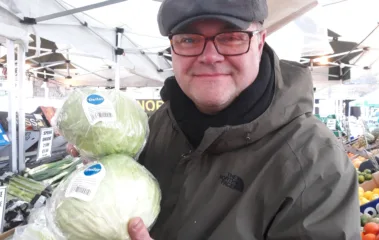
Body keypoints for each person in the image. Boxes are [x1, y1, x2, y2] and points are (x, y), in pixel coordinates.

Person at [66, 0, 360, 239]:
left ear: (259, 43)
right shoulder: (154, 127)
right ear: (173, 50)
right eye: (189, 39)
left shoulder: (314, 163)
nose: (210, 56)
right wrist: (103, 170)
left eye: (231, 37)